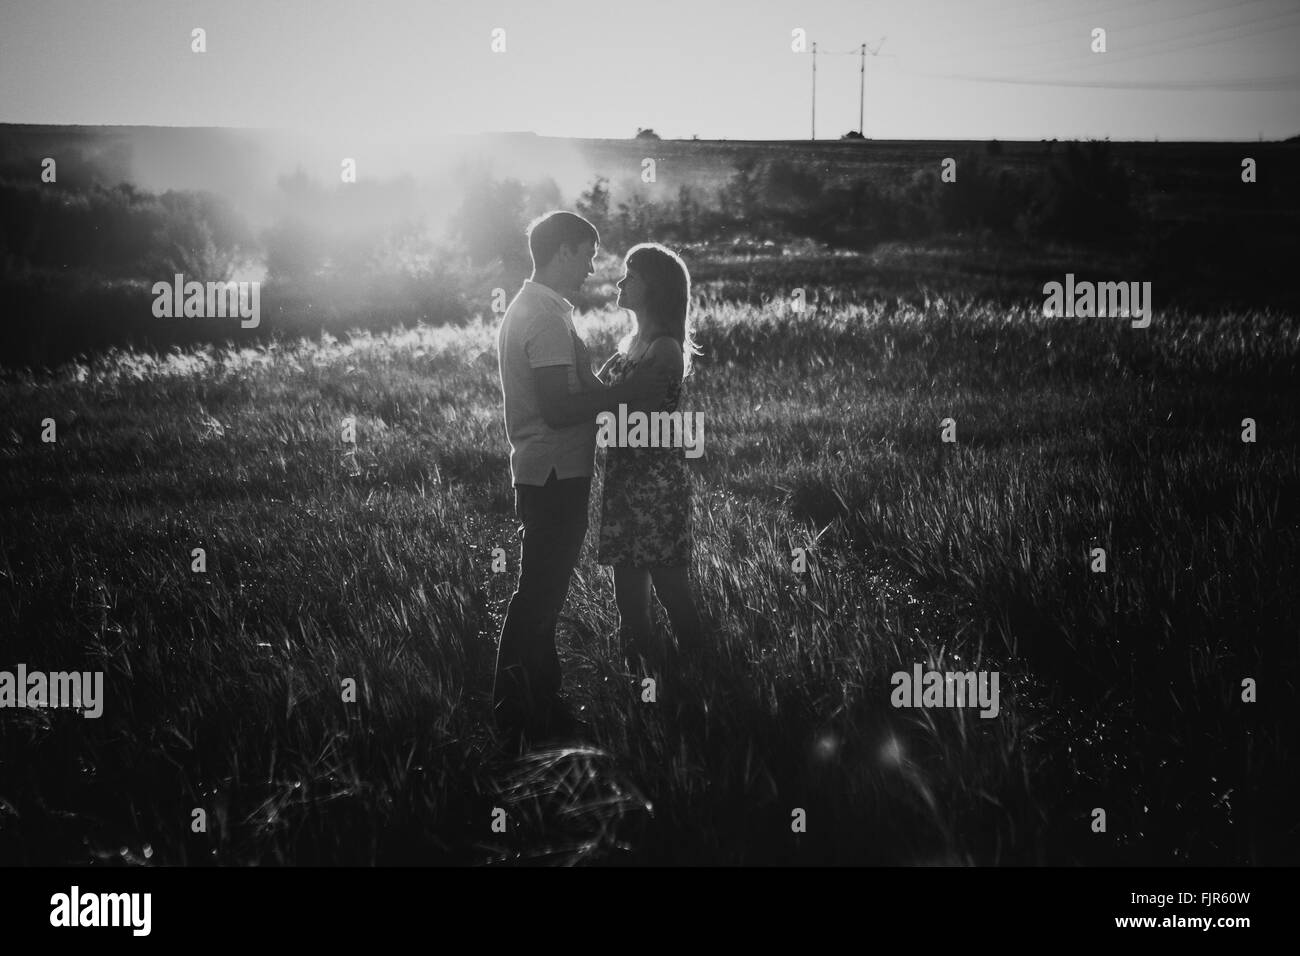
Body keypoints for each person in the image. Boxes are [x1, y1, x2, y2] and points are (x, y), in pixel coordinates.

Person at [492, 212, 671, 749]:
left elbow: (573, 395)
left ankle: (536, 702)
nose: (593, 267)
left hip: (550, 470)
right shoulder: (544, 316)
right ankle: (522, 710)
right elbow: (556, 406)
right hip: (552, 472)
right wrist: (629, 389)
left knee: (540, 592)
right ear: (564, 250)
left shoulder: (544, 310)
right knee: (539, 596)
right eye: (588, 254)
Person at [595, 243, 704, 674]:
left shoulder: (663, 349)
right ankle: (640, 677)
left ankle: (701, 672)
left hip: (656, 483)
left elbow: (625, 414)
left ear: (653, 287)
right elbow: (599, 395)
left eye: (630, 276)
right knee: (628, 591)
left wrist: (596, 406)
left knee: (670, 586)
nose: (621, 283)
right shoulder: (630, 345)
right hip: (626, 478)